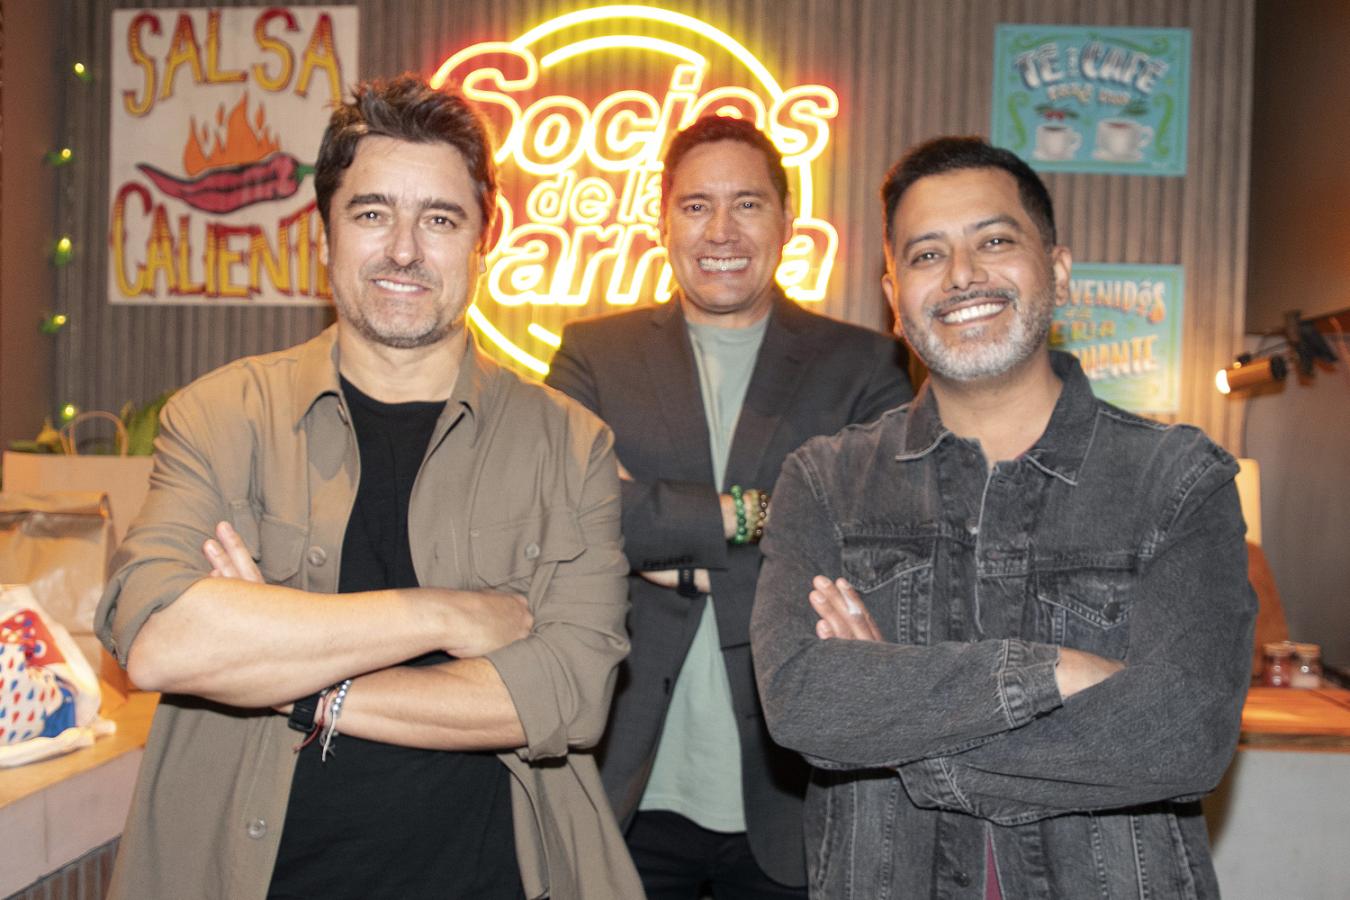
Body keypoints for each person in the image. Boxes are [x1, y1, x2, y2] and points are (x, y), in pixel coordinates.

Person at [95, 75, 641, 900]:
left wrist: (290, 676)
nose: (405, 251)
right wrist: (442, 614)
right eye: (373, 213)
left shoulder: (570, 445)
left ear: (486, 240)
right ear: (324, 233)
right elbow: (158, 641)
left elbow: (566, 698)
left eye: (441, 219)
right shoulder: (221, 416)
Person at [751, 136, 1256, 899]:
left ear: (1058, 270)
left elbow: (1183, 736)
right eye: (927, 254)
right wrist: (1052, 670)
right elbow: (802, 700)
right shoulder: (825, 482)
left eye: (994, 241)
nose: (962, 274)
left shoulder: (1178, 479)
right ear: (894, 300)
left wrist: (897, 723)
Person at [545, 115, 911, 898]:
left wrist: (676, 562)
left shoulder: (863, 364)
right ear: (663, 220)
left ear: (786, 219)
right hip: (624, 789)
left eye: (747, 204)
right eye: (695, 205)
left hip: (794, 798)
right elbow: (560, 514)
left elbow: (876, 540)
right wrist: (759, 522)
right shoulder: (595, 354)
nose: (721, 231)